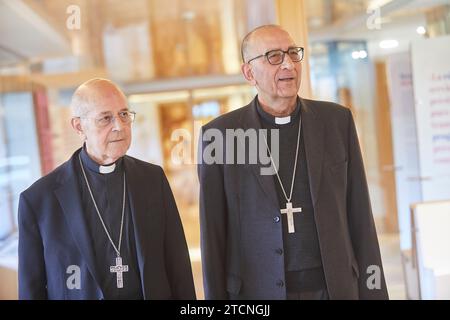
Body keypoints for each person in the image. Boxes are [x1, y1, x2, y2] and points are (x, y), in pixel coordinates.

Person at [198, 25, 388, 300]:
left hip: (334, 289)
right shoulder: (220, 136)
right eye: (274, 56)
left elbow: (361, 219)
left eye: (293, 53)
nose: (288, 64)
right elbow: (213, 236)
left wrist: (375, 293)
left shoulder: (336, 121)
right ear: (249, 73)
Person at [18, 78, 196, 300]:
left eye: (123, 114)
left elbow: (178, 264)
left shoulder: (152, 179)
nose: (119, 126)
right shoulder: (39, 200)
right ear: (79, 126)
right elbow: (31, 289)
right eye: (105, 118)